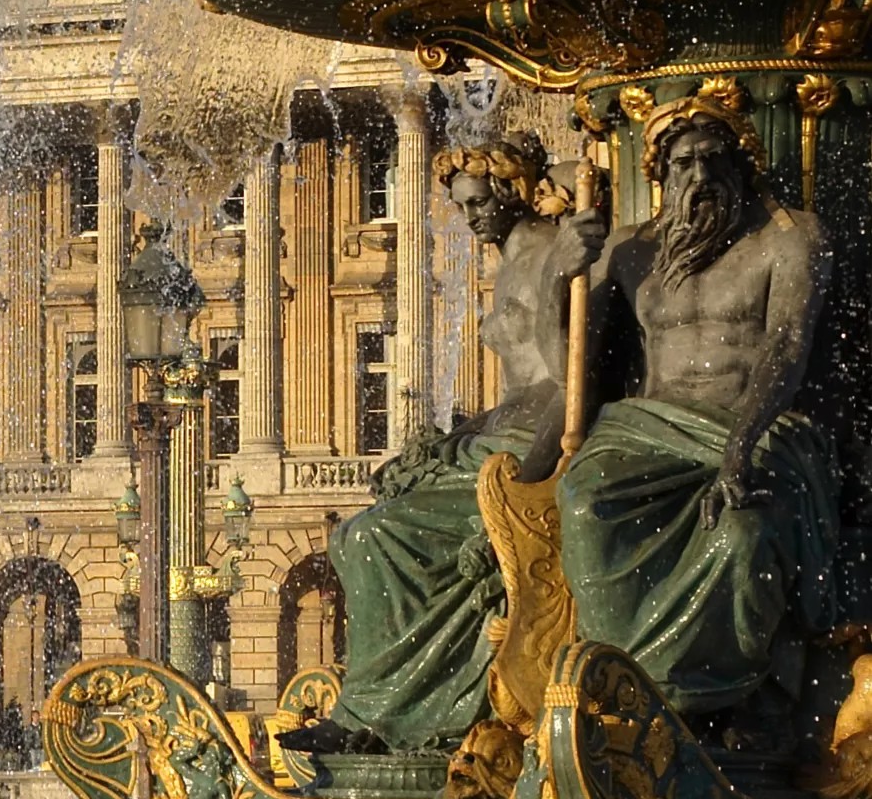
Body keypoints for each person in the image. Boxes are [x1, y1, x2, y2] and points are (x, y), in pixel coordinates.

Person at [287, 134, 589, 755]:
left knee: (374, 538)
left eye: (480, 203)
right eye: (462, 205)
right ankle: (386, 705)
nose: (470, 217)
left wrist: (518, 491)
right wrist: (456, 436)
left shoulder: (552, 254)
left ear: (513, 192)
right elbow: (522, 386)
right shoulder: (511, 259)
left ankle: (374, 714)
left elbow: (570, 381)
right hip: (493, 437)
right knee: (354, 533)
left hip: (526, 450)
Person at [553, 99, 835, 735]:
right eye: (684, 164)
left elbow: (788, 344)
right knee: (584, 504)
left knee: (743, 536)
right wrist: (557, 275)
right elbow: (572, 370)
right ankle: (619, 688)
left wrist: (740, 447)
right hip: (650, 431)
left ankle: (722, 701)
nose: (701, 176)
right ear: (661, 174)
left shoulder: (791, 237)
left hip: (753, 426)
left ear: (742, 167)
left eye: (715, 160)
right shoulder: (629, 251)